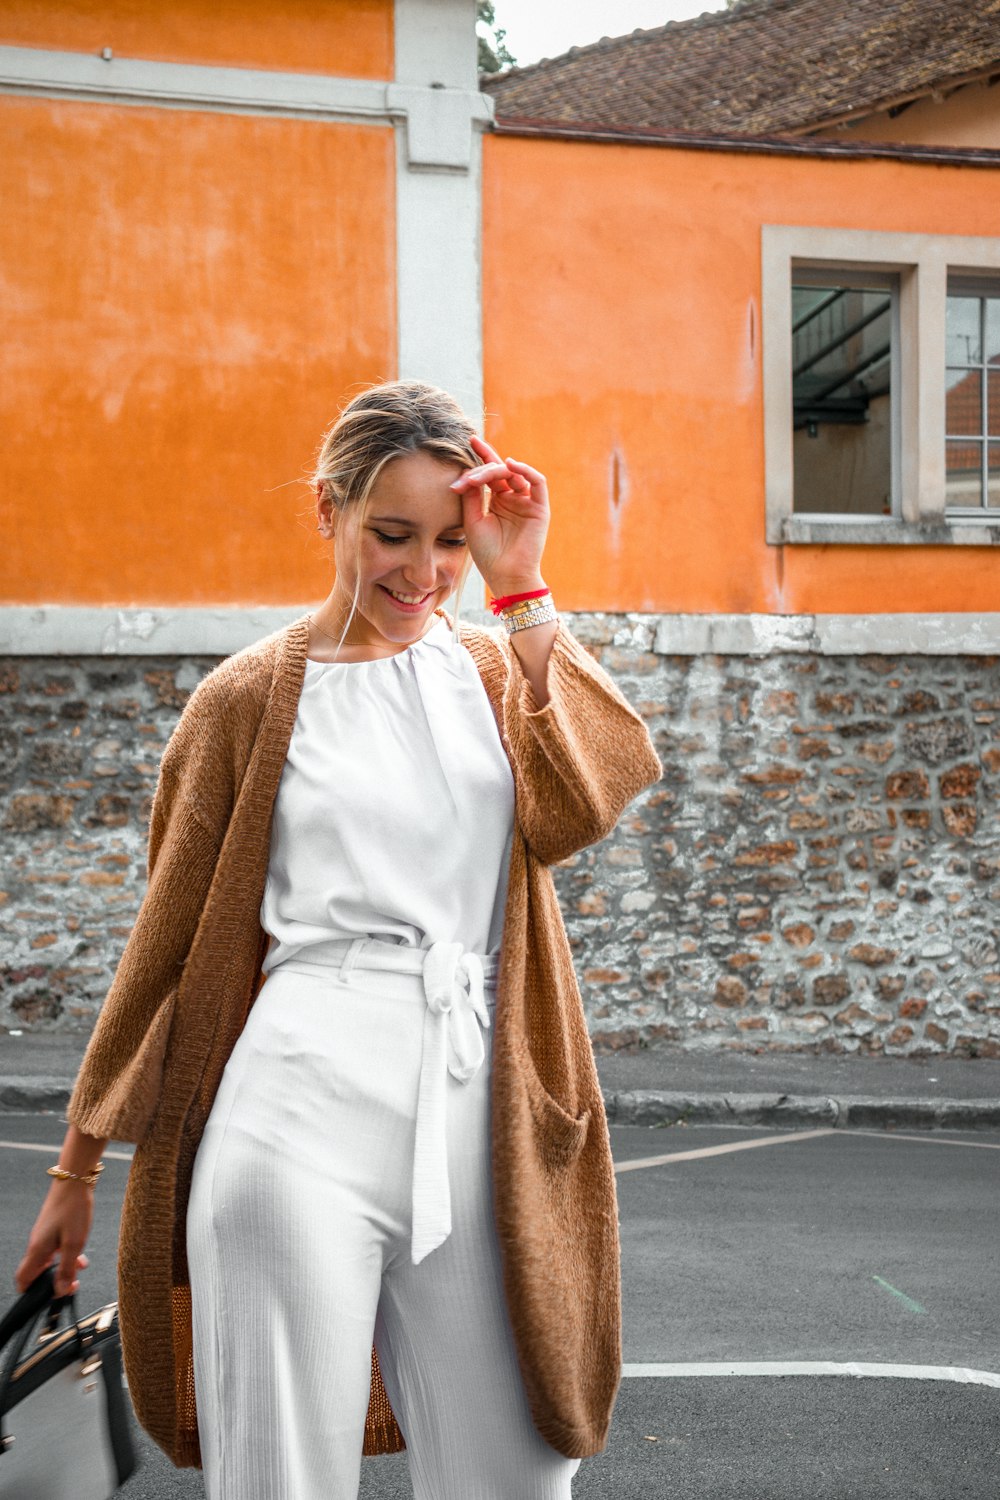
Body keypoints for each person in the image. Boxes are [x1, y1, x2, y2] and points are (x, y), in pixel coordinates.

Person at [16, 380, 662, 1499]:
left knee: (520, 1470)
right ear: (329, 512)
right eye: (392, 534)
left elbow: (588, 798)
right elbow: (162, 951)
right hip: (294, 1111)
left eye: (450, 541)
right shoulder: (245, 702)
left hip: (484, 1113)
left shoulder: (495, 668)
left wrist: (523, 586)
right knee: (279, 1478)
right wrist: (76, 1170)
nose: (422, 572)